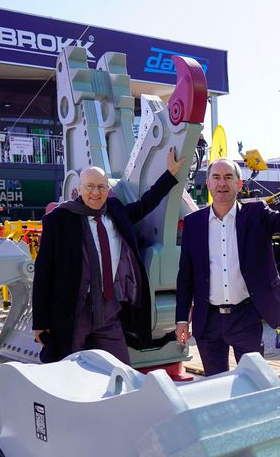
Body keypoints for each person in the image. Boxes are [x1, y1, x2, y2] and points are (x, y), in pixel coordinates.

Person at [32, 149, 183, 364]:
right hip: (73, 310)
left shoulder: (114, 211)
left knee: (120, 368)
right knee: (69, 369)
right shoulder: (59, 220)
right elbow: (43, 272)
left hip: (109, 308)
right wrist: (40, 322)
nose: (96, 192)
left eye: (101, 187)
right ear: (78, 189)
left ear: (107, 189)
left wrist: (169, 176)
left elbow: (145, 204)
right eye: (90, 186)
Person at [175, 158, 280, 376]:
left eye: (228, 177)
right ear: (208, 182)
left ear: (239, 183)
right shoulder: (193, 223)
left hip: (245, 317)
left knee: (253, 380)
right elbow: (186, 276)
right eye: (216, 177)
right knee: (216, 383)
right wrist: (181, 319)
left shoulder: (256, 215)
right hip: (208, 320)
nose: (222, 183)